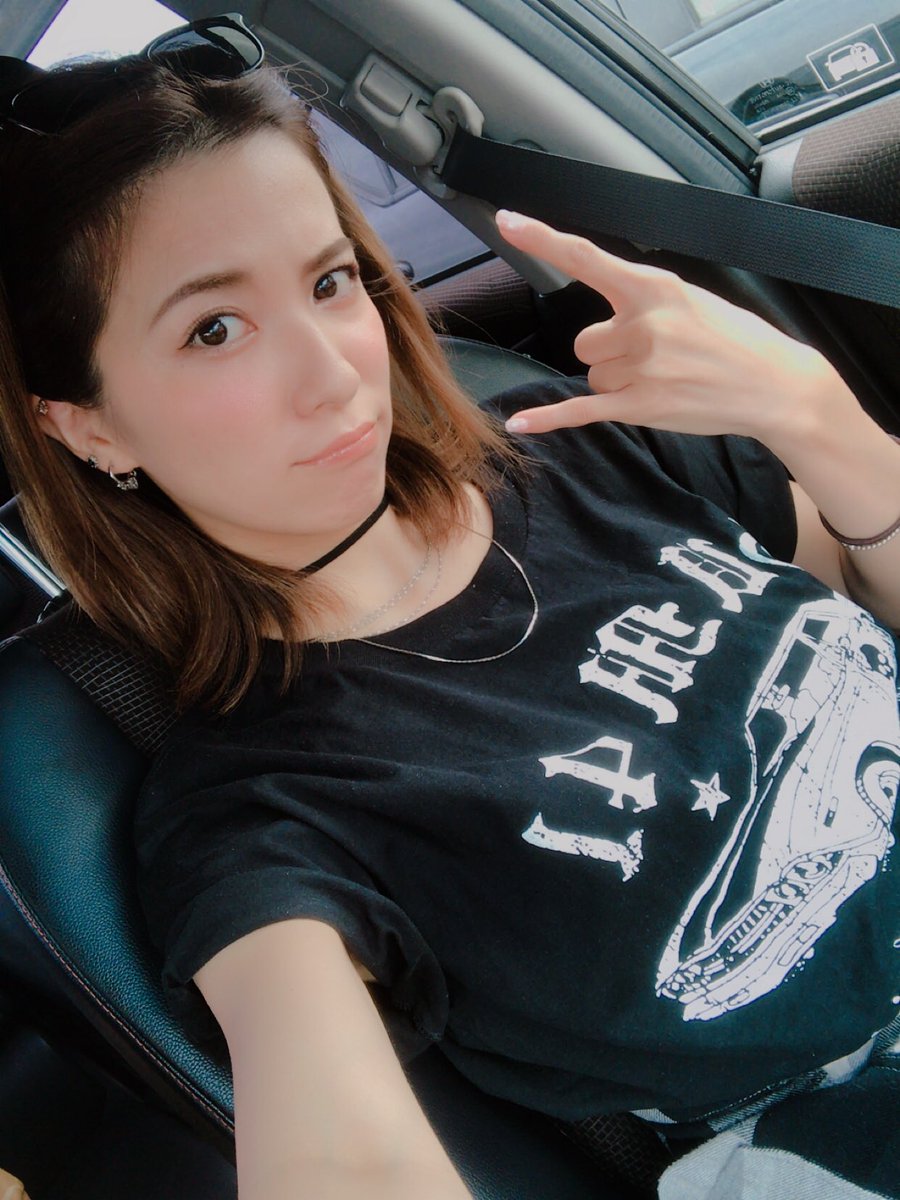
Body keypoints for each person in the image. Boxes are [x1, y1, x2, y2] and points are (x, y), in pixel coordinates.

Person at [0, 15, 898, 1200]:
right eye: (215, 329)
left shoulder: (571, 448)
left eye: (330, 282)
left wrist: (820, 416)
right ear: (89, 426)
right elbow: (341, 1154)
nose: (334, 371)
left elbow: (864, 582)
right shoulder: (262, 805)